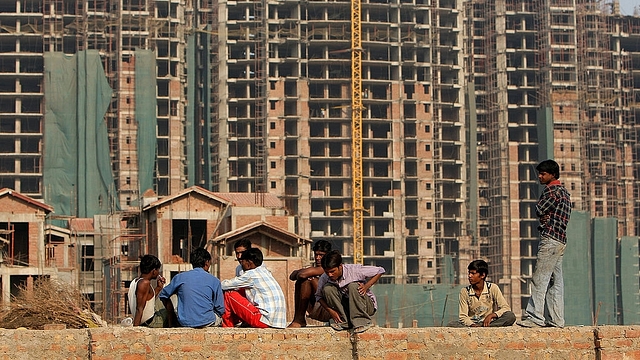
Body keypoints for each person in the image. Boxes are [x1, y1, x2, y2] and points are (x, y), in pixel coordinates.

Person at [518, 159, 571, 328]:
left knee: (540, 278)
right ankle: (556, 320)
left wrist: (544, 216)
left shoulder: (551, 191)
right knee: (555, 281)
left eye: (543, 174)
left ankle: (535, 316)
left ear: (552, 175)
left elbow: (539, 209)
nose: (540, 177)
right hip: (560, 239)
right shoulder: (564, 192)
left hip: (549, 239)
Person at [316, 250, 385, 333]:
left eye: (332, 271)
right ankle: (344, 321)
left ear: (340, 266)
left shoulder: (354, 270)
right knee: (328, 288)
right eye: (327, 272)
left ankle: (361, 322)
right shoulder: (324, 277)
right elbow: (318, 296)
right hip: (348, 307)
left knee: (353, 286)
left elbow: (380, 270)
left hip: (365, 306)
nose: (330, 275)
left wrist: (366, 286)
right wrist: (331, 311)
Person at [221, 248, 287, 328]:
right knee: (241, 290)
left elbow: (225, 285)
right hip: (278, 322)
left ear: (249, 263)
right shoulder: (265, 271)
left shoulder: (251, 274)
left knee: (229, 294)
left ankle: (227, 327)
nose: (242, 265)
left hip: (264, 320)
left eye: (243, 262)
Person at [158, 247, 225, 328]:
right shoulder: (214, 280)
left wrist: (171, 314)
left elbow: (163, 295)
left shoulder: (180, 277)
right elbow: (220, 309)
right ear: (207, 263)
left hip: (184, 322)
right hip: (207, 321)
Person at [448, 259, 516, 327]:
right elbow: (463, 316)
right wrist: (472, 324)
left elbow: (506, 308)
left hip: (488, 322)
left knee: (510, 316)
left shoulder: (492, 288)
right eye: (469, 273)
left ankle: (485, 327)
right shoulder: (465, 291)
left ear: (482, 275)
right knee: (452, 324)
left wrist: (492, 315)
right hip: (472, 323)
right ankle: (481, 327)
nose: (469, 276)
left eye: (473, 273)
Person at [288, 240, 332, 328]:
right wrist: (306, 272)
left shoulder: (328, 268)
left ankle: (299, 319)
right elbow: (292, 276)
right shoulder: (315, 269)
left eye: (321, 255)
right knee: (302, 281)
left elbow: (302, 274)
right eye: (316, 255)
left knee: (308, 280)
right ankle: (298, 319)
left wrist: (307, 273)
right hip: (317, 307)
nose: (318, 258)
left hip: (330, 309)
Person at [128, 254, 167, 327]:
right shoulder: (144, 283)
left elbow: (148, 300)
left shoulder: (135, 281)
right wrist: (135, 330)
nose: (158, 273)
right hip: (150, 323)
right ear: (154, 271)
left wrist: (158, 288)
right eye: (158, 270)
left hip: (145, 321)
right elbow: (139, 308)